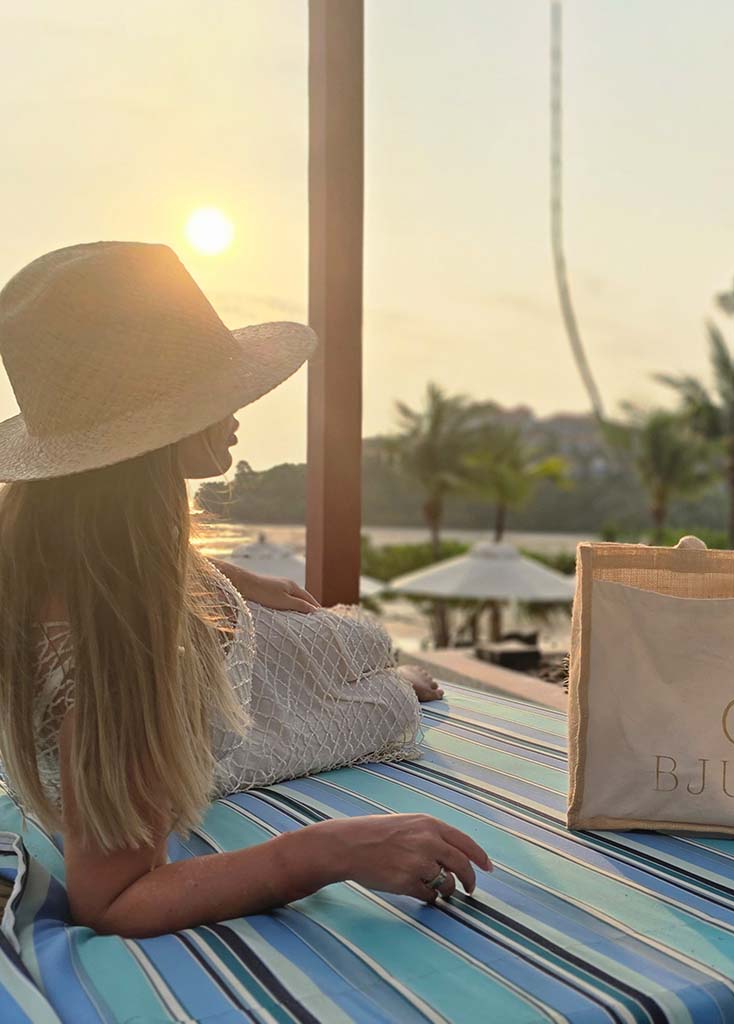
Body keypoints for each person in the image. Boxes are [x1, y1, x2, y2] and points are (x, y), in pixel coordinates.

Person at [0, 242, 491, 937]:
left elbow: (131, 553)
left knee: (357, 639)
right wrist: (328, 849)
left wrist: (236, 576)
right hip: (202, 694)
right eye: (215, 390)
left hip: (218, 649)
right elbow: (113, 899)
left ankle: (383, 671)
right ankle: (390, 681)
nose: (239, 408)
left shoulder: (52, 535)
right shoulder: (115, 639)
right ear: (159, 426)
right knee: (381, 701)